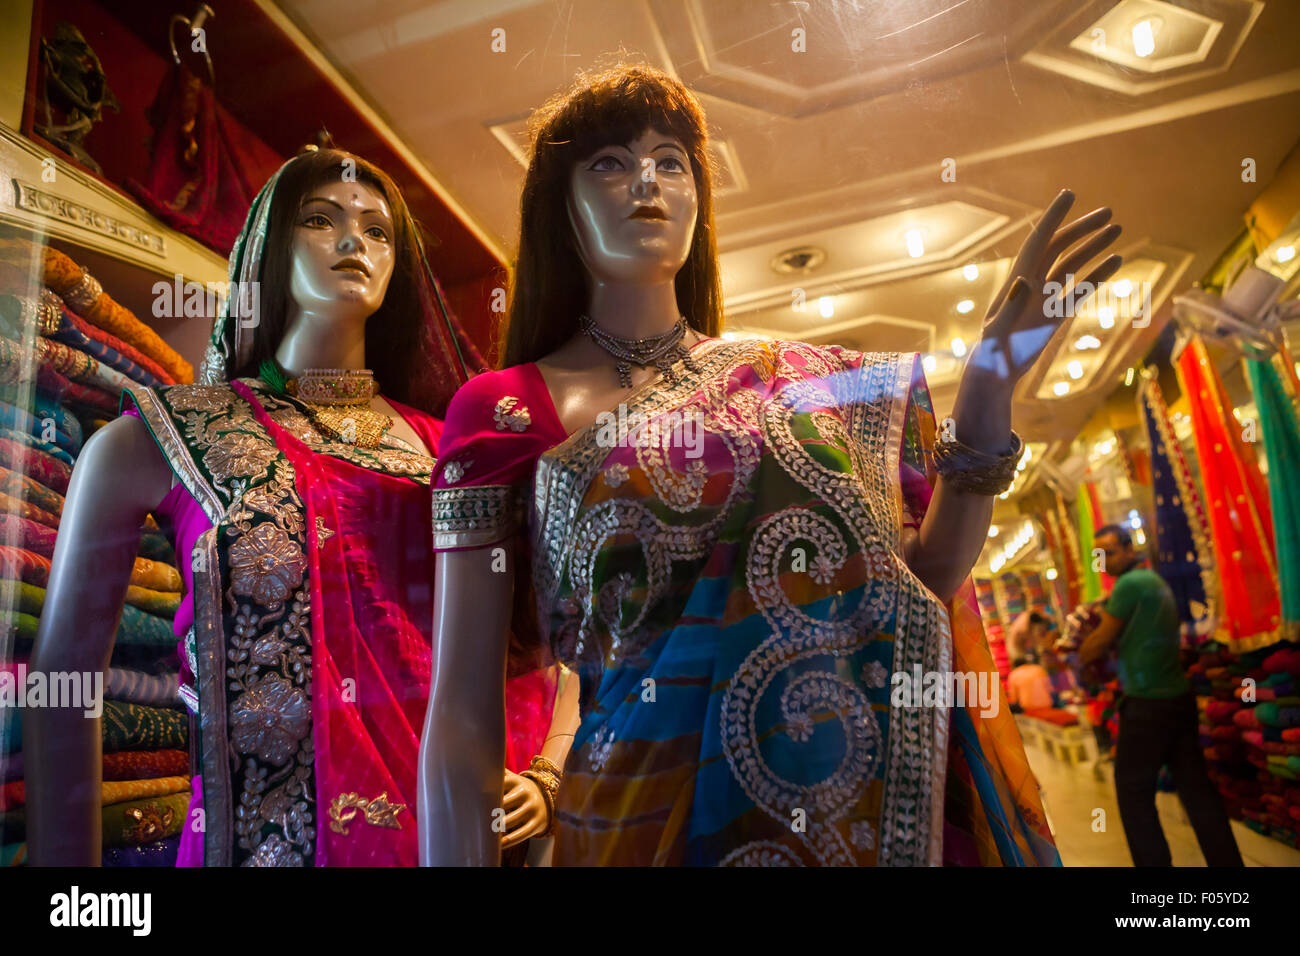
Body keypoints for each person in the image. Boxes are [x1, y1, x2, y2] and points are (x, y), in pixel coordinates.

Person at [419, 64, 1122, 866]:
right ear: (561, 205)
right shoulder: (503, 409)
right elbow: (462, 712)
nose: (646, 178)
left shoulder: (801, 387)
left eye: (671, 161)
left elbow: (920, 586)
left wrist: (990, 395)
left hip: (829, 815)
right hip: (629, 821)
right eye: (609, 161)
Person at [26, 148, 573, 866]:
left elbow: (563, 641)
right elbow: (63, 686)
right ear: (269, 244)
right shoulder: (162, 438)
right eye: (322, 219)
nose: (355, 243)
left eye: (379, 232)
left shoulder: (450, 455)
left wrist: (548, 775)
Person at [1079, 524, 1242, 866]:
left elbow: (1097, 644)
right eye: (1099, 555)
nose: (1104, 561)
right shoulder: (1153, 581)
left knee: (1133, 794)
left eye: (1109, 552)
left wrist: (1080, 649)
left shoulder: (1129, 585)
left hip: (1148, 704)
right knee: (1197, 791)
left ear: (1128, 548)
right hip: (1177, 699)